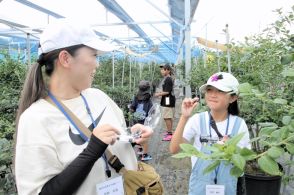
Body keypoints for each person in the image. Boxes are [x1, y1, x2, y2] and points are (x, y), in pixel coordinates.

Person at [14, 19, 153, 195]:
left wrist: (134, 135)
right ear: (65, 59)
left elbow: (116, 140)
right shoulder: (36, 119)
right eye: (94, 55)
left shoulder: (99, 97)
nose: (98, 64)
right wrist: (91, 152)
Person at [170, 72, 250, 195]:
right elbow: (174, 149)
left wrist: (231, 149)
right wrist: (184, 117)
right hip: (200, 188)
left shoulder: (239, 125)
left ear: (233, 98)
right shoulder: (197, 120)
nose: (213, 95)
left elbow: (244, 160)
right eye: (209, 90)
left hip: (228, 188)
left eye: (220, 91)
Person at [129, 80, 153, 161]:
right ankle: (144, 155)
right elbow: (152, 111)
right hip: (144, 122)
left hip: (136, 121)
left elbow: (132, 108)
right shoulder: (148, 99)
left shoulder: (136, 97)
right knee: (145, 138)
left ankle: (140, 150)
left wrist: (131, 116)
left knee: (138, 136)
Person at [154, 63, 175, 141]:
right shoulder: (167, 78)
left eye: (163, 69)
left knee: (167, 117)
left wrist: (158, 94)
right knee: (168, 117)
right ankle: (169, 132)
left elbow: (167, 92)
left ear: (168, 70)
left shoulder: (168, 79)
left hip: (168, 100)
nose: (161, 71)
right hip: (167, 99)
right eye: (161, 69)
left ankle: (170, 134)